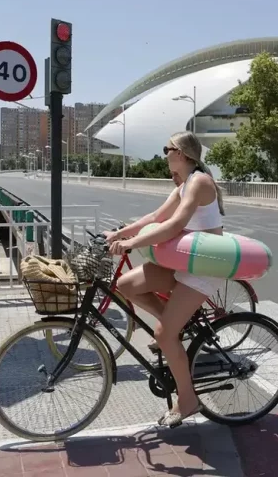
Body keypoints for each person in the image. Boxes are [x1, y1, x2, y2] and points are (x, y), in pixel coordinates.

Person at [103, 131, 225, 427]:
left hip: (204, 266)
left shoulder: (200, 182)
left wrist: (132, 244)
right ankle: (174, 326)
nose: (164, 154)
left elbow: (175, 224)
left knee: (163, 335)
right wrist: (119, 234)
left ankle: (188, 400)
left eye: (166, 148)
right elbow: (156, 216)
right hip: (184, 261)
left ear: (181, 154)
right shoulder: (184, 185)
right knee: (126, 286)